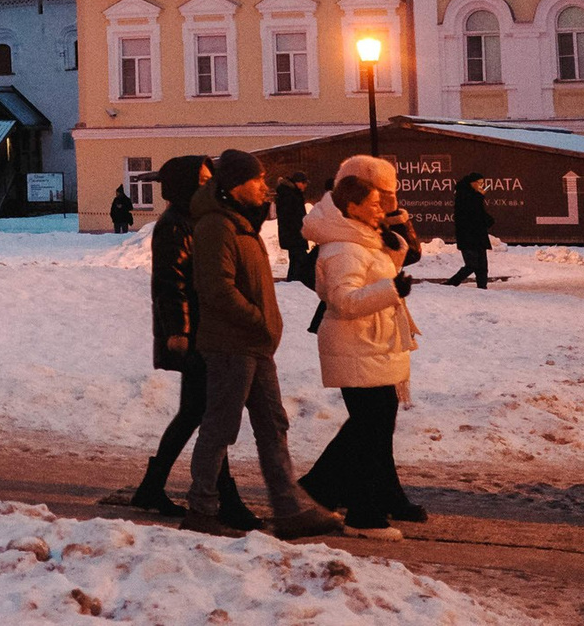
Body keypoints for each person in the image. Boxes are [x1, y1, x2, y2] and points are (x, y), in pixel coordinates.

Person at [182, 148, 342, 540]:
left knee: (273, 424)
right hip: (231, 344)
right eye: (256, 180)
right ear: (235, 185)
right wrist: (257, 320)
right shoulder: (216, 226)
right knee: (220, 426)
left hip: (254, 344)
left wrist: (264, 328)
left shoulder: (239, 223)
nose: (264, 187)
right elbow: (216, 288)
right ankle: (201, 509)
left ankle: (289, 509)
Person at [298, 159, 426, 538]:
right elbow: (345, 297)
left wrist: (395, 241)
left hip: (372, 341)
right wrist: (391, 289)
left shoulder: (359, 235)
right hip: (359, 341)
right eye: (376, 200)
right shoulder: (343, 246)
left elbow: (379, 266)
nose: (383, 206)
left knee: (373, 424)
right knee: (370, 426)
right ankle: (354, 507)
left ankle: (335, 492)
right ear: (353, 205)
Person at [126, 154, 253, 529]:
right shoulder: (174, 224)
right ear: (182, 185)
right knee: (209, 414)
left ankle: (152, 486)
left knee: (195, 413)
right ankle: (224, 497)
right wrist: (179, 333)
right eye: (200, 178)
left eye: (208, 176)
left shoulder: (199, 219)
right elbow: (171, 284)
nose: (207, 183)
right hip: (194, 334)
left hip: (207, 329)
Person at [443, 171, 492, 290]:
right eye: (479, 183)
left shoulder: (473, 195)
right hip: (468, 236)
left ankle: (482, 287)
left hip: (477, 235)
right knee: (472, 264)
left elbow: (479, 214)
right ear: (472, 183)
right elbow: (472, 213)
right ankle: (452, 283)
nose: (481, 185)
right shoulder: (464, 195)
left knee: (482, 264)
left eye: (482, 183)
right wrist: (479, 197)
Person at [275, 171, 314, 288]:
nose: (305, 186)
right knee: (299, 260)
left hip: (292, 234)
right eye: (304, 183)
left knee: (296, 260)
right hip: (294, 234)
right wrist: (300, 229)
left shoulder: (289, 193)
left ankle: (293, 283)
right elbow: (293, 216)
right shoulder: (291, 195)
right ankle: (295, 284)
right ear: (297, 182)